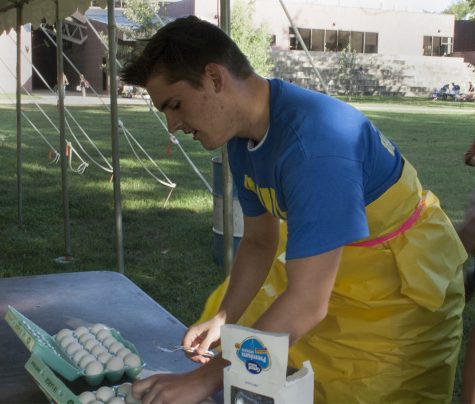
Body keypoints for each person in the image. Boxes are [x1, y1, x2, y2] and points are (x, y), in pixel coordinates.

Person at [121, 16, 467, 403]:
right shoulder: (242, 138)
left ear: (215, 78)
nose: (172, 125)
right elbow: (258, 242)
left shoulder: (315, 146)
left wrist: (202, 381)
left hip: (398, 295)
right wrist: (225, 316)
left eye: (175, 104)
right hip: (333, 277)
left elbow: (305, 303)